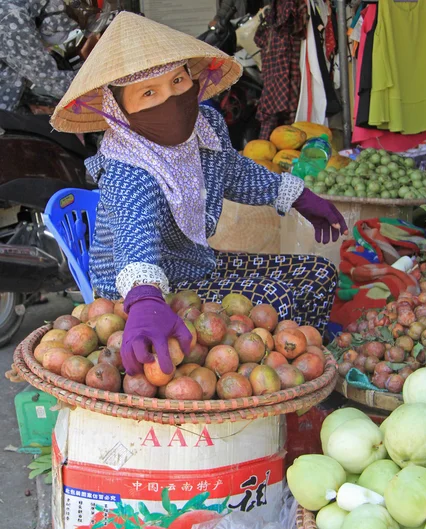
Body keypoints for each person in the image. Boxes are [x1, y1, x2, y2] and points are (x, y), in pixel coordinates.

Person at [50, 11, 348, 378]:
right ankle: (278, 387)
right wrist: (144, 297)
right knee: (278, 298)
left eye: (177, 80)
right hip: (144, 287)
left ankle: (307, 370)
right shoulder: (127, 167)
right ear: (120, 111)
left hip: (194, 262)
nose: (172, 98)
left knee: (318, 272)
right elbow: (134, 230)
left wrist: (295, 194)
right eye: (148, 93)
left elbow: (232, 171)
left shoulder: (203, 128)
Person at [0, 0, 104, 112]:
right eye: (74, 19)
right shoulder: (12, 20)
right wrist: (102, 85)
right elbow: (49, 79)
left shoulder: (16, 10)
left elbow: (15, 82)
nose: (71, 27)